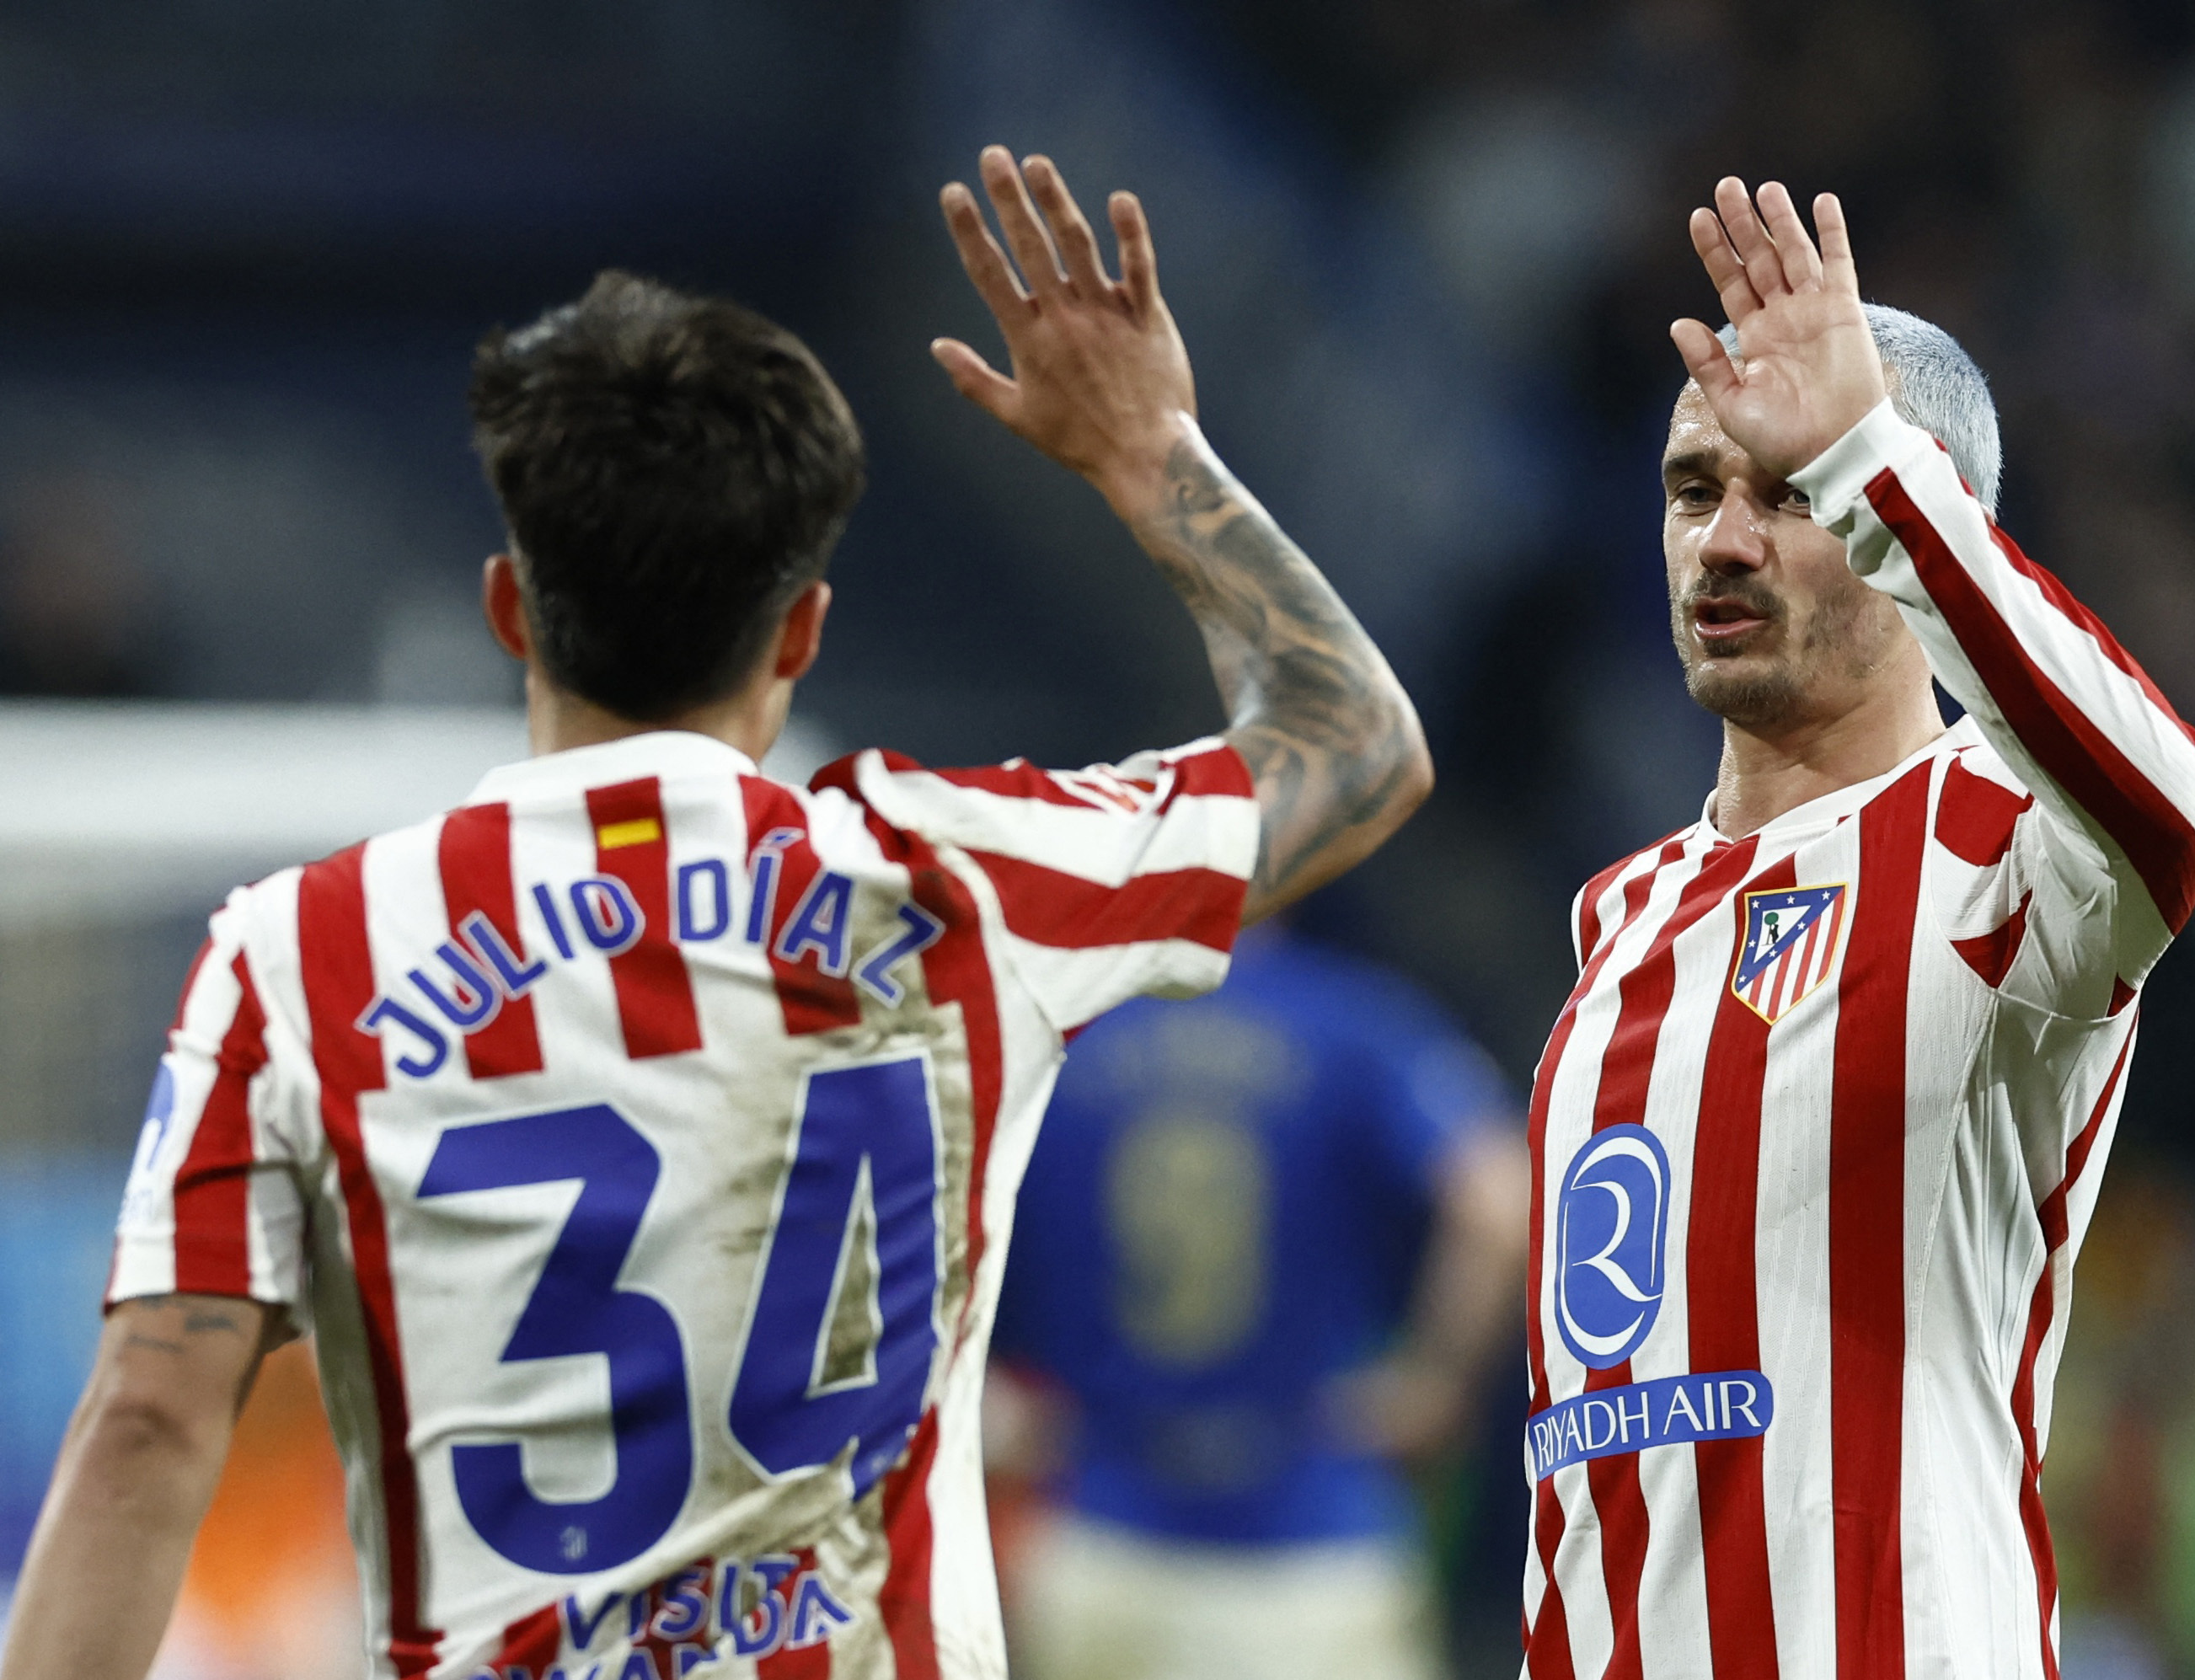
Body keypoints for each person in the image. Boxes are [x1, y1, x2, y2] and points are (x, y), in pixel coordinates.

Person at [0, 145, 1430, 1680]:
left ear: (508, 606)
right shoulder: (953, 880)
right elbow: (1358, 749)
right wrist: (1154, 453)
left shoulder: (293, 959)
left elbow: (149, 1415)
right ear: (803, 628)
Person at [1518, 179, 2195, 1680]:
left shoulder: (1997, 849)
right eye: (1694, 488)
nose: (1720, 541)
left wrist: (1870, 461)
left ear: (1905, 511)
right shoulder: (1615, 917)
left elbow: (2172, 808)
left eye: (1788, 494)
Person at [987, 922, 1526, 1680]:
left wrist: (978, 1394)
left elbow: (927, 1197)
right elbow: (1499, 1201)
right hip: (1316, 1542)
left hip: (1100, 1530)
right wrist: (1434, 1388)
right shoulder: (1352, 1016)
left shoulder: (1065, 1030)